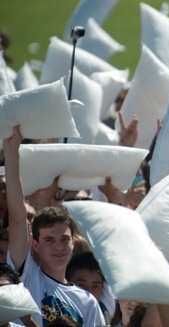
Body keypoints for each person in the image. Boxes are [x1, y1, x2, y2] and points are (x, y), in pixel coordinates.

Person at [3, 126, 105, 326]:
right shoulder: (27, 274)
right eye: (49, 240)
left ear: (73, 243)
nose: (59, 247)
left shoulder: (88, 303)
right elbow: (17, 217)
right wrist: (11, 151)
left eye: (64, 239)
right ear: (35, 244)